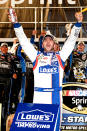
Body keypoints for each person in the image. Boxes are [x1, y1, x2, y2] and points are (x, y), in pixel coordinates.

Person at [8, 9, 83, 131]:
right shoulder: (36, 56)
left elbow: (71, 42)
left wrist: (78, 24)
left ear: (54, 44)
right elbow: (23, 41)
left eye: (50, 40)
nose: (48, 41)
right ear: (42, 45)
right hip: (39, 97)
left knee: (54, 129)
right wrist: (16, 23)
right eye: (45, 40)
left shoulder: (61, 56)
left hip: (55, 98)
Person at [0, 42, 18, 130]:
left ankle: (5, 118)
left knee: (7, 99)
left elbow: (14, 66)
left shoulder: (10, 56)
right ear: (0, 48)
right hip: (0, 77)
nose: (4, 49)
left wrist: (14, 73)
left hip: (8, 79)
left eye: (6, 47)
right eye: (3, 47)